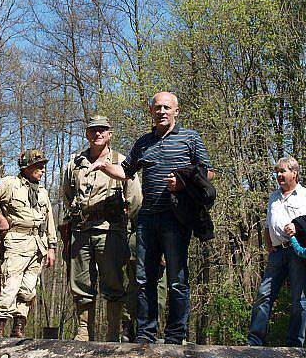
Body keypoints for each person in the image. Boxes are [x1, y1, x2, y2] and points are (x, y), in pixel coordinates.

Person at [89, 92, 214, 344]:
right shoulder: (144, 142)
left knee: (177, 279)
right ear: (151, 112)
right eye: (157, 108)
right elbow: (125, 171)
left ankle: (175, 336)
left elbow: (208, 172)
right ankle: (146, 334)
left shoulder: (190, 138)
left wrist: (182, 182)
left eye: (167, 107)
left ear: (176, 111)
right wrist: (104, 166)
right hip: (147, 219)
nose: (162, 111)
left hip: (177, 218)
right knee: (143, 278)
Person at [62, 115, 141, 341]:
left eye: (102, 130)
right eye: (93, 130)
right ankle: (84, 332)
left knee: (114, 284)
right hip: (81, 230)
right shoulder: (75, 163)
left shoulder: (122, 161)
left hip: (110, 230)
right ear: (87, 134)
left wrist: (127, 226)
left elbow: (135, 199)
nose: (97, 134)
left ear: (110, 134)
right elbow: (67, 195)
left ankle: (113, 333)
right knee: (81, 283)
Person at [247, 156, 306, 347]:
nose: (279, 176)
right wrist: (269, 245)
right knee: (264, 295)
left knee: (298, 299)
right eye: (277, 172)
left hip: (299, 253)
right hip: (277, 254)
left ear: (295, 173)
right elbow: (267, 224)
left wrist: (298, 227)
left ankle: (294, 345)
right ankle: (255, 341)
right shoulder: (274, 197)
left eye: (283, 171)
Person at [0, 149, 57, 338]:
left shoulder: (43, 192)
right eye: (38, 166)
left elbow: (49, 220)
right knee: (11, 286)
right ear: (27, 167)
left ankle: (18, 328)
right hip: (16, 241)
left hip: (38, 244)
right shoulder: (10, 184)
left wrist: (52, 247)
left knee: (29, 289)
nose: (42, 170)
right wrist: (0, 219)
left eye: (43, 166)